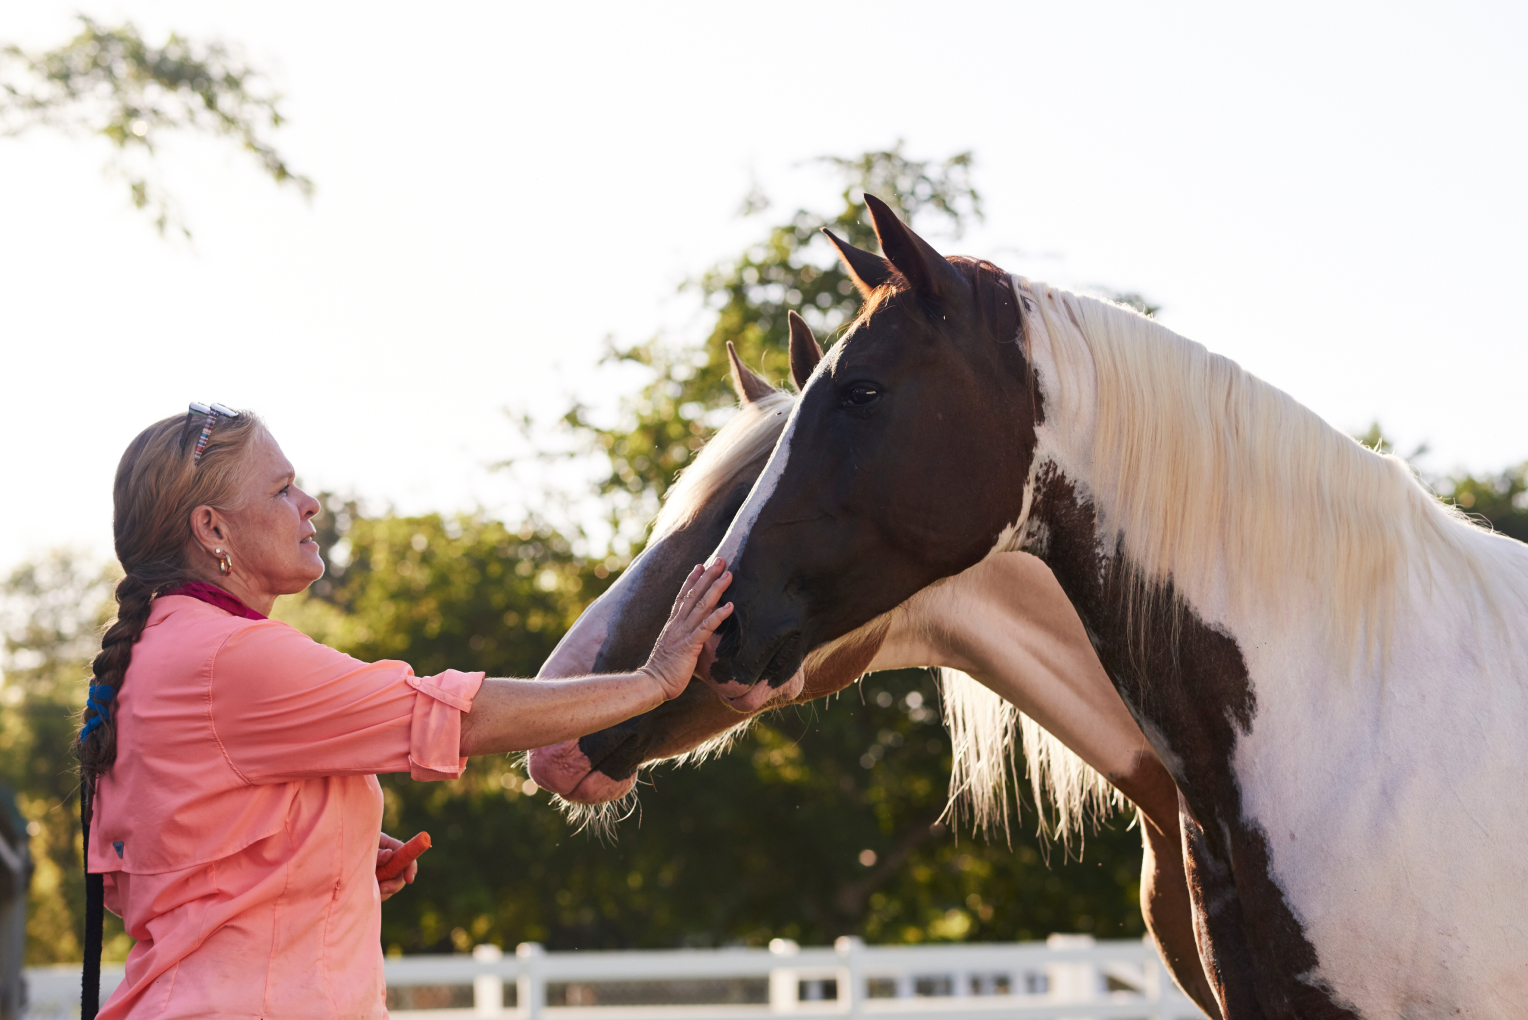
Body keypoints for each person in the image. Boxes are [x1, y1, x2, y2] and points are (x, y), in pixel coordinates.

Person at [76, 403, 733, 1020]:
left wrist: (328, 862)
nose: (309, 506)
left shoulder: (165, 650)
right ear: (212, 528)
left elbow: (163, 882)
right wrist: (653, 680)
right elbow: (461, 717)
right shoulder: (229, 657)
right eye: (281, 491)